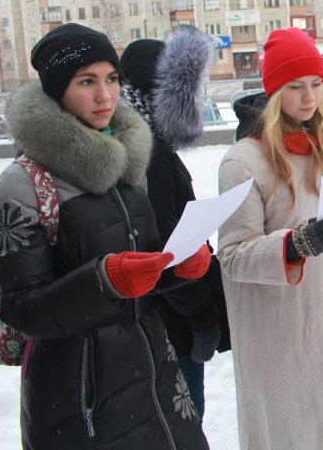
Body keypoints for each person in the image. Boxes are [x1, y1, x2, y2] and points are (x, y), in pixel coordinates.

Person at [0, 23, 209, 449]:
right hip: (80, 401)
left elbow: (137, 278)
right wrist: (104, 281)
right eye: (86, 81)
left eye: (112, 78)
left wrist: (175, 269)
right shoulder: (22, 185)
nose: (105, 95)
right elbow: (21, 309)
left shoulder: (130, 165)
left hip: (157, 383)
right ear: (57, 90)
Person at [217, 27, 323, 449]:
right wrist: (293, 246)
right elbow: (232, 257)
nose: (309, 97)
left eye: (316, 84)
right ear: (274, 92)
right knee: (300, 434)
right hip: (286, 336)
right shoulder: (243, 161)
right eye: (295, 87)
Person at [119, 28, 230, 420]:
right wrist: (202, 318)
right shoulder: (147, 151)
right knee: (179, 422)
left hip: (164, 318)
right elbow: (165, 247)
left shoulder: (145, 140)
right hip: (168, 322)